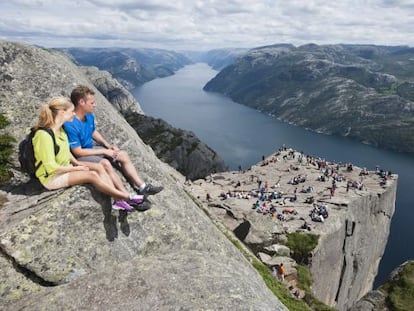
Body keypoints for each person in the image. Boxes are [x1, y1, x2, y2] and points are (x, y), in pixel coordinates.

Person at [32, 97, 147, 211]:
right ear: (62, 113)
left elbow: (65, 152)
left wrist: (76, 164)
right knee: (92, 175)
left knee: (99, 167)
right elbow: (51, 167)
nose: (73, 114)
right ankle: (126, 197)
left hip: (66, 167)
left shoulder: (60, 131)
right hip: (52, 178)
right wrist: (75, 169)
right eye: (71, 111)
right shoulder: (43, 136)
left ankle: (118, 201)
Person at [63, 85, 163, 196]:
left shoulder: (88, 116)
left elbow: (92, 131)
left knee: (123, 155)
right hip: (81, 156)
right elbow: (78, 152)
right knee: (106, 163)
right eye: (92, 103)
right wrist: (104, 151)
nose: (94, 105)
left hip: (91, 149)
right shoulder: (70, 124)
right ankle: (125, 196)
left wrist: (107, 145)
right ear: (81, 102)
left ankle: (142, 187)